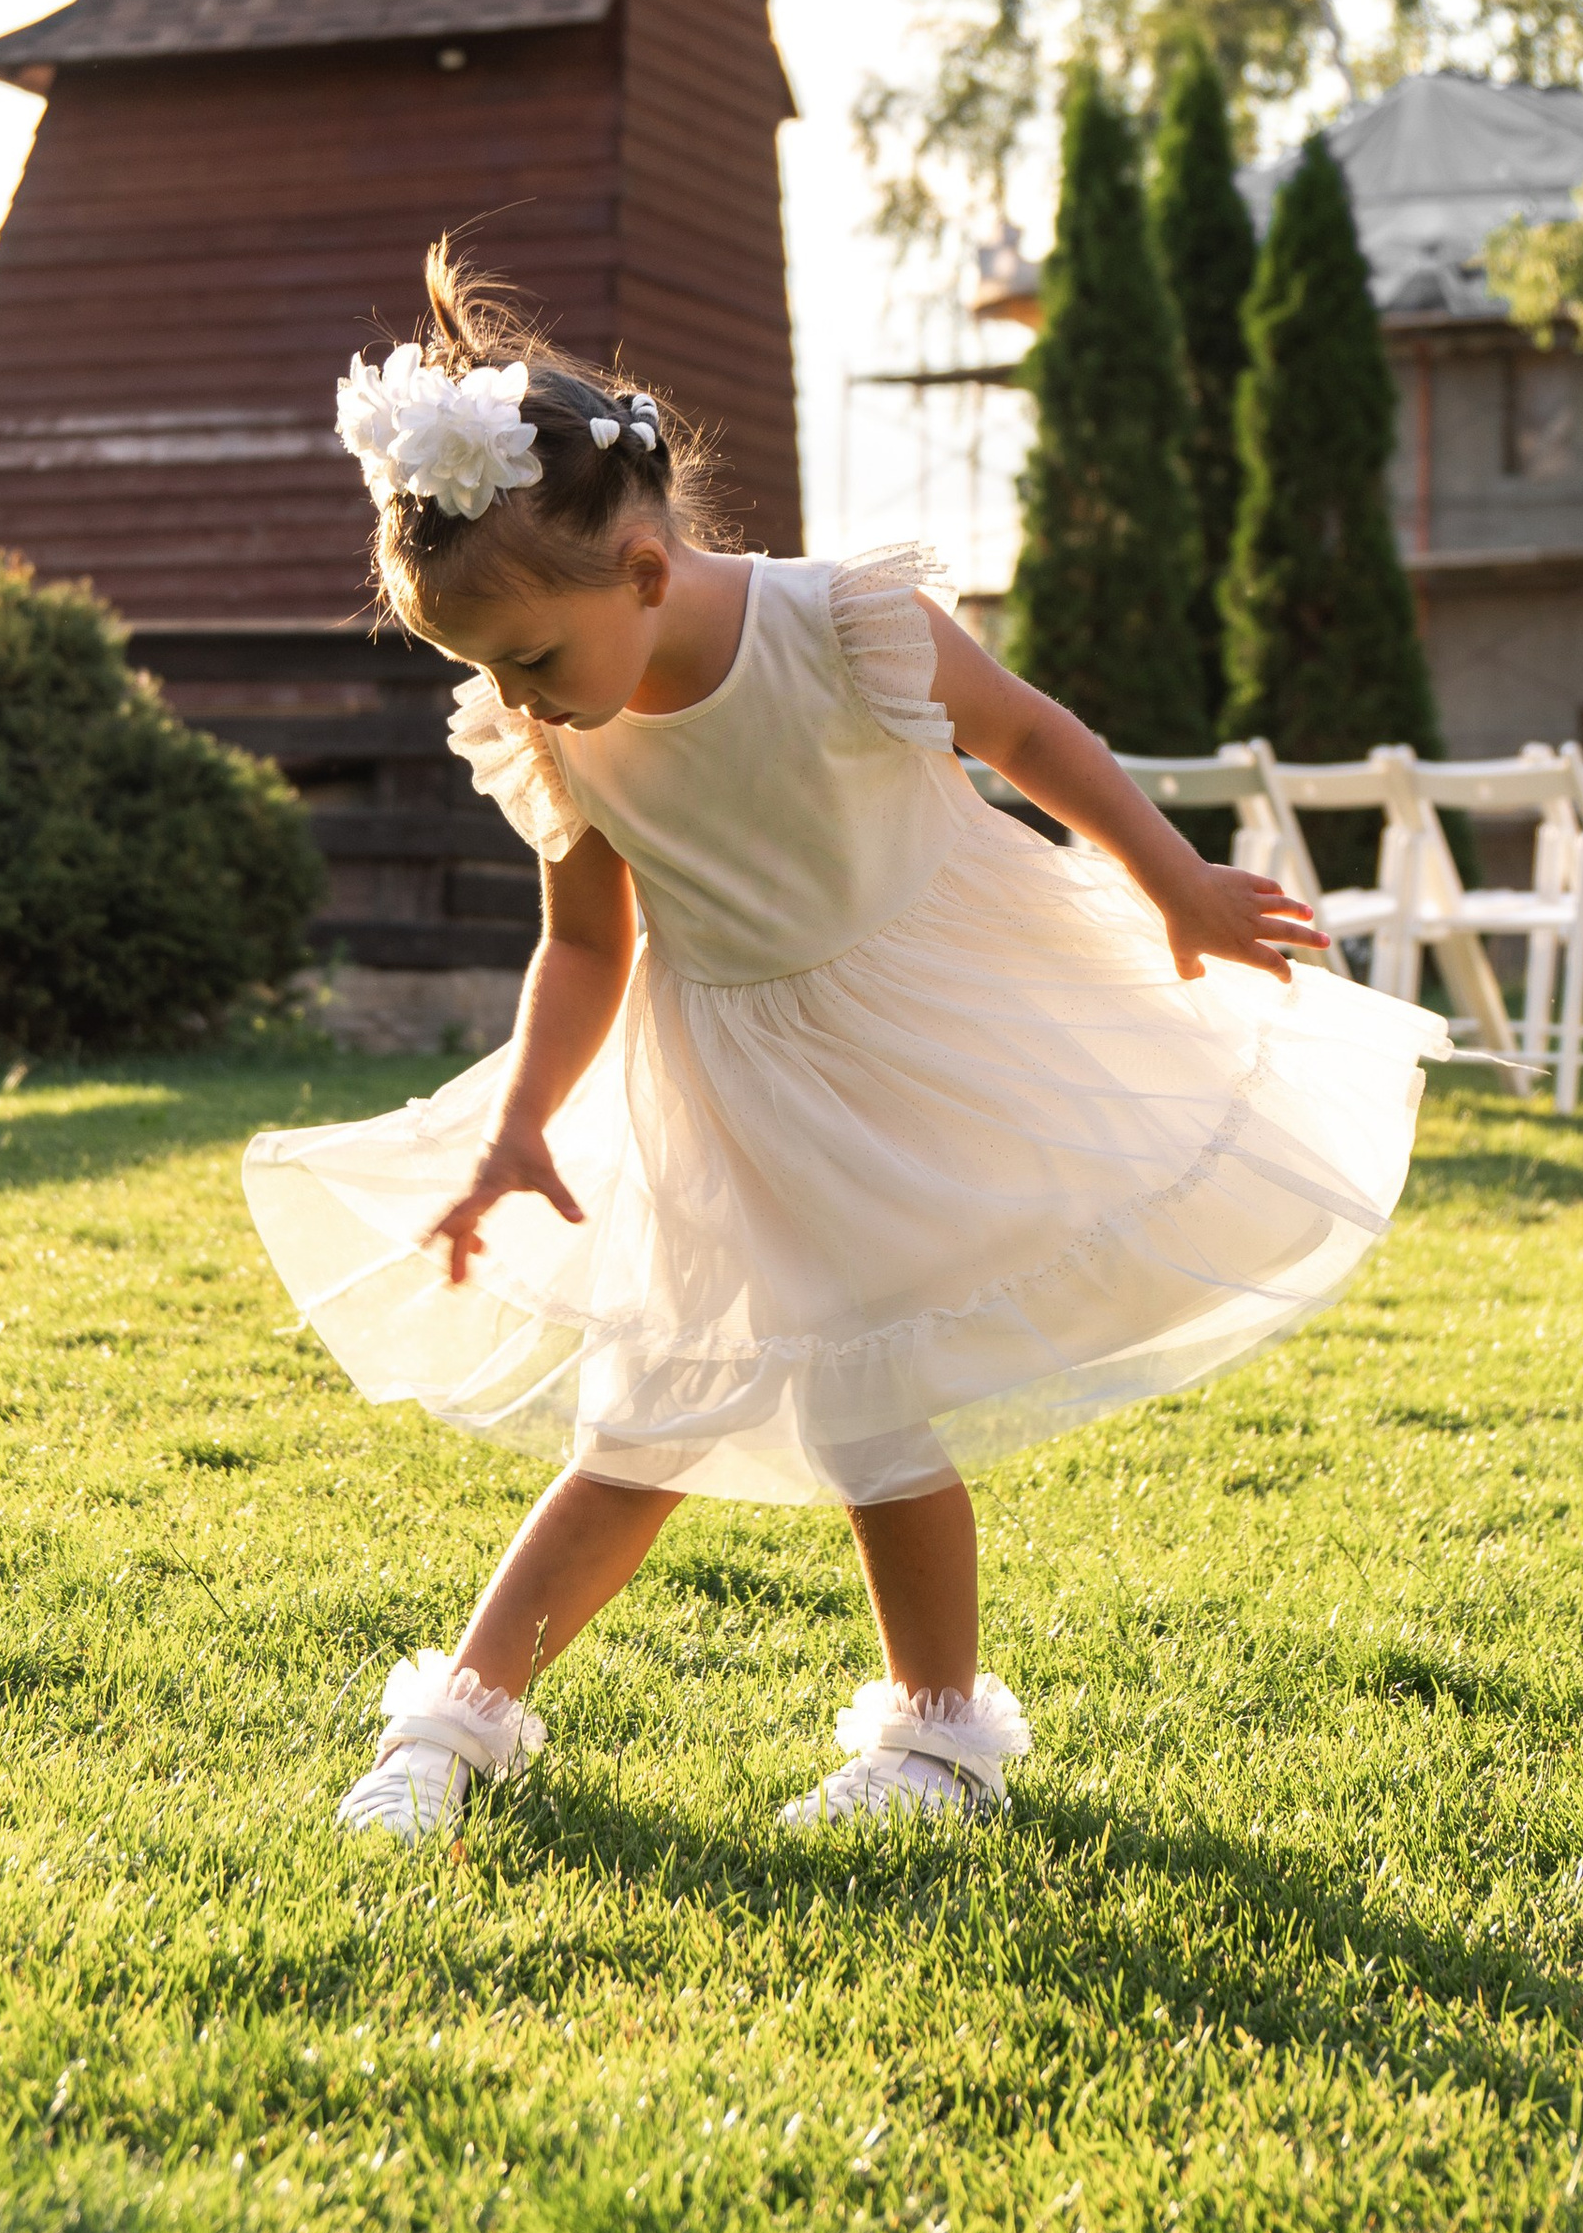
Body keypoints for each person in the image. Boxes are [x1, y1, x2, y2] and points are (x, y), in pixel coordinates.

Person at [244, 248, 1447, 1843]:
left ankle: (939, 1741)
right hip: (720, 1085)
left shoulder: (842, 624)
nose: (517, 700)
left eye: (531, 658)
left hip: (919, 1027)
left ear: (649, 571)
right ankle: (456, 1728)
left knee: (871, 1396)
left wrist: (1175, 882)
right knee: (648, 1411)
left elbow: (1029, 732)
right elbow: (590, 938)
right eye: (484, 672)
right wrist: (525, 1116)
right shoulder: (555, 729)